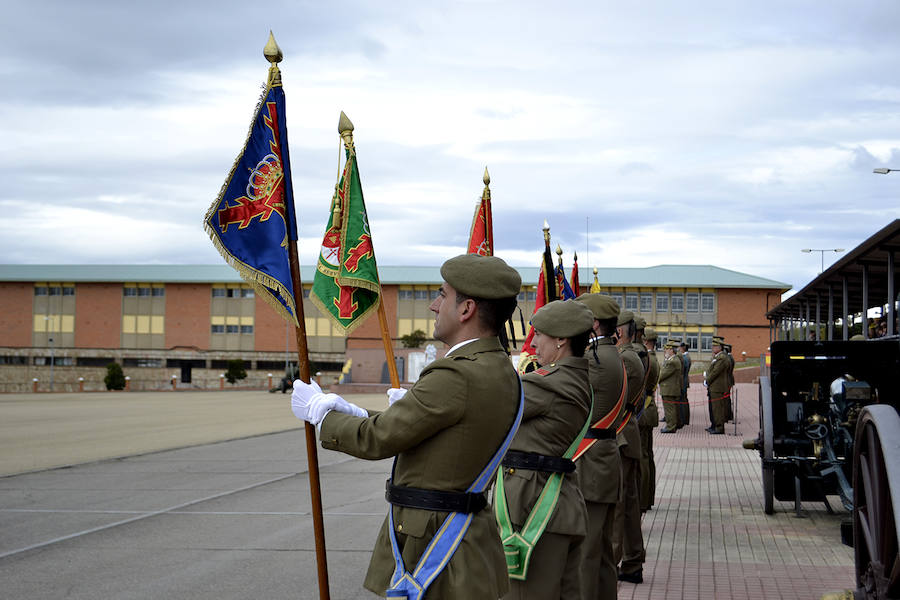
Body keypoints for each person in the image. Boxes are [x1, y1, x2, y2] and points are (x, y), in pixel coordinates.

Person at [290, 254, 523, 599]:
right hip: (467, 537)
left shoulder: (455, 374)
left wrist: (321, 414)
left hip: (433, 542)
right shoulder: (501, 370)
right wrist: (353, 410)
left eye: (443, 295)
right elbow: (417, 428)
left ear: (466, 309)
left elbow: (378, 440)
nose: (433, 305)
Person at [494, 299, 594, 600]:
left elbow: (489, 403)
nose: (533, 342)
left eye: (540, 334)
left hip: (534, 506)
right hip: (558, 504)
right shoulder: (574, 379)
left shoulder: (551, 383)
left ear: (561, 340)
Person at [572, 293, 625, 600]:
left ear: (592, 323)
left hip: (591, 464)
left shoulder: (595, 360)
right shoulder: (608, 354)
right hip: (600, 462)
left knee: (586, 555)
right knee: (602, 554)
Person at [613, 309, 646, 584]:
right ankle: (633, 561)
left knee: (620, 505)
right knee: (629, 505)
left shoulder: (625, 359)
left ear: (619, 332)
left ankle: (616, 560)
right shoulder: (629, 356)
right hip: (627, 435)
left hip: (622, 437)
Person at [636, 321, 658, 512]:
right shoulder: (651, 357)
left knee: (643, 457)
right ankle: (647, 497)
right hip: (648, 409)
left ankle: (642, 500)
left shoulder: (645, 358)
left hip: (644, 410)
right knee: (647, 456)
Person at [705, 336, 730, 435]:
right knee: (713, 408)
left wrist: (707, 380)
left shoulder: (722, 358)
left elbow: (715, 372)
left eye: (715, 346)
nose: (713, 348)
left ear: (720, 347)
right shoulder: (717, 357)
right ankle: (714, 425)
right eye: (713, 346)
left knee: (718, 408)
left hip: (718, 386)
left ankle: (719, 428)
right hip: (714, 386)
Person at [658, 341, 683, 433]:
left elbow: (663, 374)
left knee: (669, 409)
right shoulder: (671, 360)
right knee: (671, 408)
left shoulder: (672, 361)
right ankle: (672, 425)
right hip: (670, 388)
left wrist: (655, 381)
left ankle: (670, 427)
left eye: (667, 349)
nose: (665, 351)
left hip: (669, 389)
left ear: (672, 350)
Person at [678, 343, 691, 426]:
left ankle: (683, 419)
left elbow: (683, 370)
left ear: (683, 348)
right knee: (684, 400)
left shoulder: (685, 358)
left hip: (683, 381)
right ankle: (685, 419)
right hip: (684, 380)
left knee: (682, 401)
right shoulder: (686, 357)